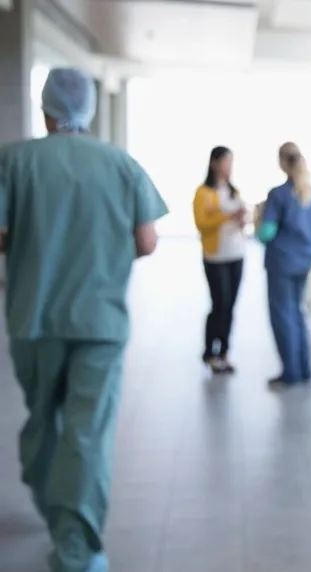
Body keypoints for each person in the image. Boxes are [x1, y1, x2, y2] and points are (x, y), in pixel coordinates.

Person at [0, 68, 168, 572]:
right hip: (99, 322)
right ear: (89, 109)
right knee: (87, 432)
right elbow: (146, 241)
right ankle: (78, 550)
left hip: (34, 317)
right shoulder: (122, 165)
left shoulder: (13, 161)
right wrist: (100, 256)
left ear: (47, 108)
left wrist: (35, 244)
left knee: (43, 422)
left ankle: (54, 504)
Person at [256, 142, 311, 388]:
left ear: (282, 162)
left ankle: (290, 372)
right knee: (297, 312)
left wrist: (258, 221)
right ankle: (305, 368)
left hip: (282, 262)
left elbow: (266, 232)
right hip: (304, 260)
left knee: (283, 315)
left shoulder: (278, 195)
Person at [193, 146, 247, 374]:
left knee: (231, 305)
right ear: (214, 163)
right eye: (225, 162)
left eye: (231, 162)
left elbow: (242, 219)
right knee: (220, 303)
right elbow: (202, 223)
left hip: (236, 253)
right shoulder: (203, 193)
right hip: (215, 256)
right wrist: (227, 217)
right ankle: (210, 352)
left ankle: (224, 352)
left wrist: (242, 220)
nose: (228, 167)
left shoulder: (235, 191)